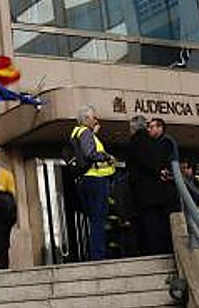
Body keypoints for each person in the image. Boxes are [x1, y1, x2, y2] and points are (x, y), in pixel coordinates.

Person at [68, 106, 116, 261]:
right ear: (86, 119)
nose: (96, 120)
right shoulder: (85, 132)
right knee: (98, 219)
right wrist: (107, 157)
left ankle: (97, 253)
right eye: (94, 117)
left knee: (95, 219)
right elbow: (90, 154)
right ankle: (98, 255)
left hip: (86, 180)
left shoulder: (78, 133)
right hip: (95, 180)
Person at [127, 117, 178, 256]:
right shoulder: (156, 143)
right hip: (160, 193)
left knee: (149, 225)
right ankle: (165, 250)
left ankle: (154, 252)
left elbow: (142, 162)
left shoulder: (136, 142)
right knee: (160, 224)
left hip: (144, 193)